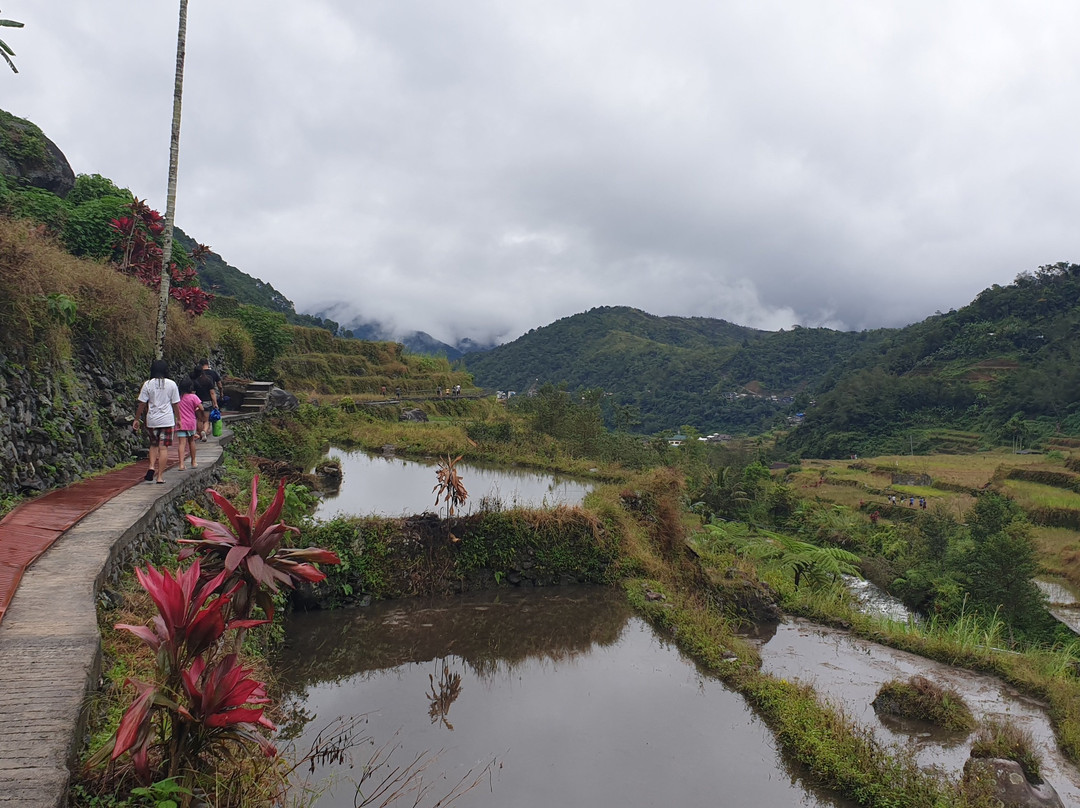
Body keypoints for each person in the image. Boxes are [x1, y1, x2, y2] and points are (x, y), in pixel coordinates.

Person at [134, 359, 180, 484]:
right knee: (163, 448)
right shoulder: (171, 384)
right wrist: (179, 419)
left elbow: (142, 404)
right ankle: (159, 476)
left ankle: (151, 466)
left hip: (152, 420)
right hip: (167, 420)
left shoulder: (148, 384)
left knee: (153, 445)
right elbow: (175, 404)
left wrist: (137, 419)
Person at [176, 377, 202, 470]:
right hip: (191, 422)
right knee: (191, 441)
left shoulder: (178, 398)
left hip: (180, 422)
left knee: (181, 444)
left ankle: (181, 464)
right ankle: (193, 461)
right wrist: (196, 409)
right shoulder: (193, 397)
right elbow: (201, 407)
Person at [190, 361, 219, 440]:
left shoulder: (195, 382)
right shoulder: (208, 380)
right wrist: (215, 403)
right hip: (207, 402)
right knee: (206, 420)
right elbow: (212, 393)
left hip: (198, 402)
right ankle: (204, 431)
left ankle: (199, 434)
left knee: (199, 419)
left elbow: (193, 393)